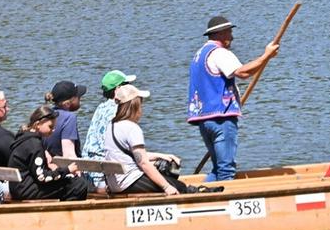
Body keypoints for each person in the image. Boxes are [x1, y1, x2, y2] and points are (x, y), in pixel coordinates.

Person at [187, 16, 279, 182]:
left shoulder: (198, 55)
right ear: (220, 33)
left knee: (217, 168)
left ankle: (206, 197)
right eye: (229, 32)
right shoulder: (219, 53)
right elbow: (242, 73)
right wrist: (266, 56)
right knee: (226, 170)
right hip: (221, 119)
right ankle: (224, 203)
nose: (232, 37)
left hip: (204, 119)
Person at [107, 85, 197, 194]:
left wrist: (161, 156)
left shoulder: (112, 126)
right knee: (180, 186)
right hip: (129, 181)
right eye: (141, 104)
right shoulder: (132, 128)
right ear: (135, 106)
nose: (141, 109)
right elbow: (143, 163)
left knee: (166, 176)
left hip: (115, 184)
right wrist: (166, 187)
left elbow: (133, 155)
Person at [8, 105, 89, 202]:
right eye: (50, 127)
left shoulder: (23, 137)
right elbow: (42, 177)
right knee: (78, 184)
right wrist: (67, 170)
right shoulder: (34, 144)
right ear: (38, 124)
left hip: (18, 188)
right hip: (26, 191)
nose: (53, 130)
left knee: (70, 180)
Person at [82, 69, 136, 193]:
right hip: (105, 174)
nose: (131, 87)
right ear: (118, 89)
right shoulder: (118, 111)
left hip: (90, 172)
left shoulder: (101, 108)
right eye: (127, 84)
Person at [43, 80, 87, 159]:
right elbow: (69, 155)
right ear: (67, 104)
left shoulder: (46, 114)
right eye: (78, 97)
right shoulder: (69, 118)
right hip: (64, 169)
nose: (81, 99)